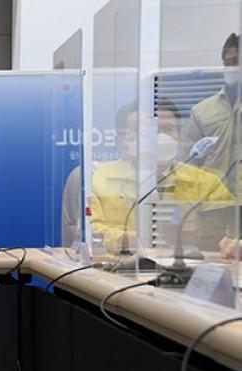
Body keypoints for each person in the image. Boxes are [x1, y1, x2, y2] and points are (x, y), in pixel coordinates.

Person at [89, 103, 233, 254]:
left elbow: (228, 235)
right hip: (122, 265)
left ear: (179, 137)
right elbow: (89, 233)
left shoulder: (208, 183)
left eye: (169, 129)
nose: (161, 138)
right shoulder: (99, 180)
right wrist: (125, 239)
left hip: (186, 265)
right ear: (122, 143)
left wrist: (200, 235)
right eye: (148, 131)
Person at [184, 33, 240, 184]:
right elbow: (188, 160)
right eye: (228, 62)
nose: (232, 68)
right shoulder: (201, 111)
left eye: (237, 62)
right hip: (214, 193)